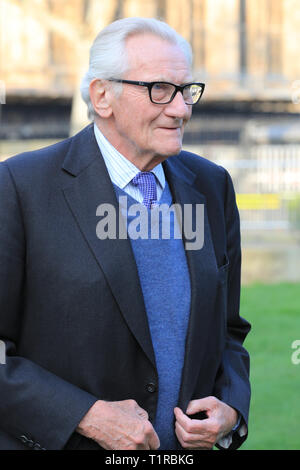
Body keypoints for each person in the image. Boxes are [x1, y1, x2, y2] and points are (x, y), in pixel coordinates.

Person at [0, 17, 251, 451]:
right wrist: (82, 415)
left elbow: (229, 331)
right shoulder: (20, 187)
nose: (181, 109)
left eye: (186, 90)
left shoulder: (211, 186)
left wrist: (230, 409)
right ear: (102, 96)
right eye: (159, 89)